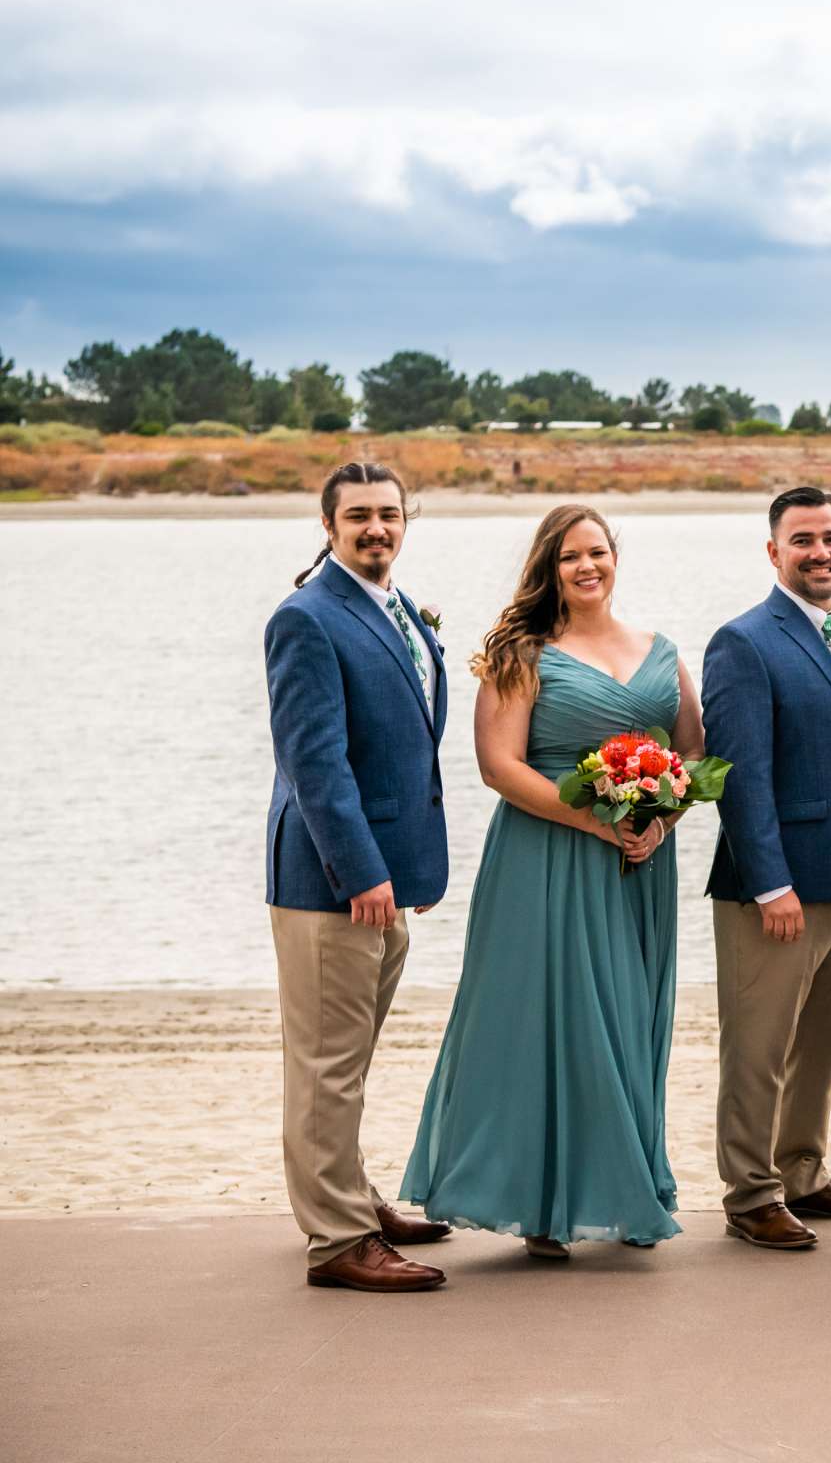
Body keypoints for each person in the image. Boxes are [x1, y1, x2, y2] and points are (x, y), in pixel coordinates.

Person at [401, 506, 697, 1257]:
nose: (587, 566)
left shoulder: (661, 649)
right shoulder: (522, 654)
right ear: (549, 567)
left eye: (598, 552)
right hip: (547, 858)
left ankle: (628, 1189)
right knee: (551, 1023)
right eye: (570, 556)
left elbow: (693, 754)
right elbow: (499, 766)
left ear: (615, 558)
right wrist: (599, 823)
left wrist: (662, 820)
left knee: (631, 1019)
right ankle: (541, 1206)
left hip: (639, 865)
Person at [264, 462, 452, 1291]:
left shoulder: (398, 608)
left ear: (406, 520)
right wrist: (362, 873)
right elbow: (315, 763)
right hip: (334, 881)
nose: (377, 528)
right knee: (325, 1067)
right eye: (359, 516)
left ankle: (353, 1197)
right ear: (328, 522)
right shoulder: (306, 618)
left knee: (350, 1059)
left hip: (383, 879)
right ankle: (338, 1242)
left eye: (389, 514)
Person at [702, 485, 831, 1251]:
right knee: (759, 1043)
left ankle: (803, 1170)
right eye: (804, 539)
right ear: (773, 550)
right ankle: (751, 1192)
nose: (821, 552)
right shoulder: (743, 642)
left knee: (820, 1041)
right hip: (775, 889)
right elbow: (739, 774)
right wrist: (771, 882)